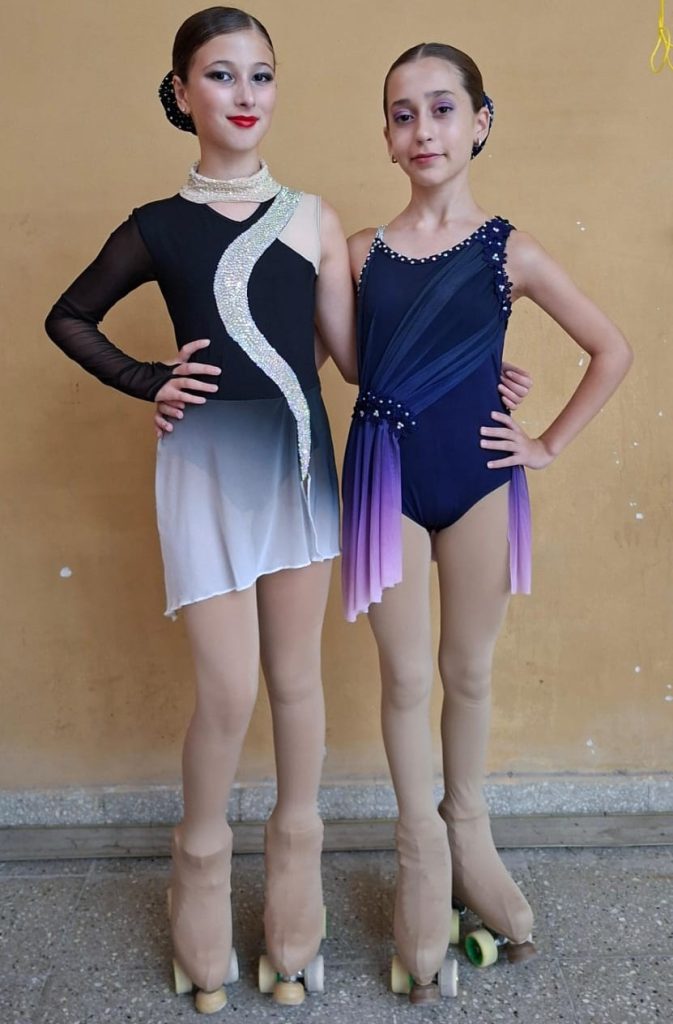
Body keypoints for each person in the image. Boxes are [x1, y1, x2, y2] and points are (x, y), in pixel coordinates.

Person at [45, 6, 358, 1013]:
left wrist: (468, 344)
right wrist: (148, 379)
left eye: (261, 74)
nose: (245, 94)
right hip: (204, 471)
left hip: (297, 463)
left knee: (295, 681)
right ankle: (200, 860)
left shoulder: (313, 218)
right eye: (221, 75)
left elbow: (352, 359)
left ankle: (297, 865)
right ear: (182, 93)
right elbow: (68, 316)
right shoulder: (155, 225)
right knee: (227, 692)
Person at [340, 42, 633, 1004]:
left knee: (467, 670)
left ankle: (468, 829)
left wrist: (543, 441)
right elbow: (351, 364)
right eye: (402, 114)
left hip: (477, 481)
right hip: (383, 478)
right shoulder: (357, 255)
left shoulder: (511, 250)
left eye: (441, 109)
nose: (422, 129)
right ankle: (419, 851)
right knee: (403, 676)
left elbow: (610, 349)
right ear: (387, 137)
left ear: (479, 122)